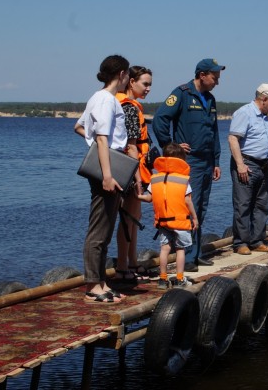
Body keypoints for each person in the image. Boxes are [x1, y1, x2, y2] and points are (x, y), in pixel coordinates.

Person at [152, 58, 225, 272]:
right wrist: (170, 146)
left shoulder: (210, 99)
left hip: (207, 161)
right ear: (202, 75)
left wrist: (217, 161)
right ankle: (187, 257)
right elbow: (160, 120)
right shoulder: (182, 94)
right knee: (187, 206)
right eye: (215, 77)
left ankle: (196, 253)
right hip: (189, 161)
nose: (217, 82)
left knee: (200, 208)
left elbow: (214, 132)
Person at [74, 54, 130, 303]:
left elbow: (80, 127)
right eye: (127, 75)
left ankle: (100, 282)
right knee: (99, 228)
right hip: (108, 166)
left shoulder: (97, 98)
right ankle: (92, 287)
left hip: (108, 162)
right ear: (121, 75)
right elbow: (102, 138)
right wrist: (107, 174)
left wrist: (93, 143)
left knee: (106, 226)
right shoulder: (107, 100)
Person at [112, 66, 156, 287]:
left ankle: (131, 261)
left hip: (136, 170)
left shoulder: (131, 106)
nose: (148, 88)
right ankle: (122, 266)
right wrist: (138, 176)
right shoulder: (128, 107)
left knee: (133, 219)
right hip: (130, 171)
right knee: (128, 219)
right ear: (131, 82)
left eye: (150, 84)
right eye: (145, 84)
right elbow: (131, 146)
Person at [228, 83, 268, 255]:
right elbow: (233, 139)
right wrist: (240, 164)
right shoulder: (245, 113)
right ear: (264, 99)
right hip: (246, 163)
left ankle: (257, 240)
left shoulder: (264, 117)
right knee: (243, 204)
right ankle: (241, 242)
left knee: (261, 204)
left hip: (263, 165)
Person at [138, 143, 198, 289]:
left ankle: (163, 279)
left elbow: (148, 198)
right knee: (180, 250)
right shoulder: (183, 180)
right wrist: (195, 218)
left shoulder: (156, 179)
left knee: (164, 249)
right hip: (180, 222)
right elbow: (187, 201)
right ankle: (179, 279)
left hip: (163, 222)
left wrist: (138, 196)